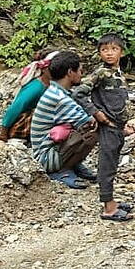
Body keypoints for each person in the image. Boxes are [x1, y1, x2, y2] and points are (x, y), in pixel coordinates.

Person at [72, 34, 135, 222]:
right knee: (107, 165)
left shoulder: (117, 73)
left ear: (121, 52)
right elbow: (79, 93)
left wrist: (125, 124)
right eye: (104, 50)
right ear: (99, 53)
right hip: (108, 126)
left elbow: (118, 101)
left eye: (114, 49)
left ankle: (112, 201)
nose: (109, 53)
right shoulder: (100, 73)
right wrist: (97, 114)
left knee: (113, 163)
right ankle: (108, 207)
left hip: (117, 126)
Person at [30, 51, 98, 189]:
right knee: (92, 131)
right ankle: (61, 169)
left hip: (45, 148)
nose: (81, 75)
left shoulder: (56, 91)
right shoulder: (60, 99)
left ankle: (72, 164)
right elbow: (89, 121)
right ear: (69, 72)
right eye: (79, 71)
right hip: (45, 158)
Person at [0, 49, 59, 143]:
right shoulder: (37, 87)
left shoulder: (50, 86)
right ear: (44, 68)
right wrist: (3, 133)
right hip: (20, 127)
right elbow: (16, 107)